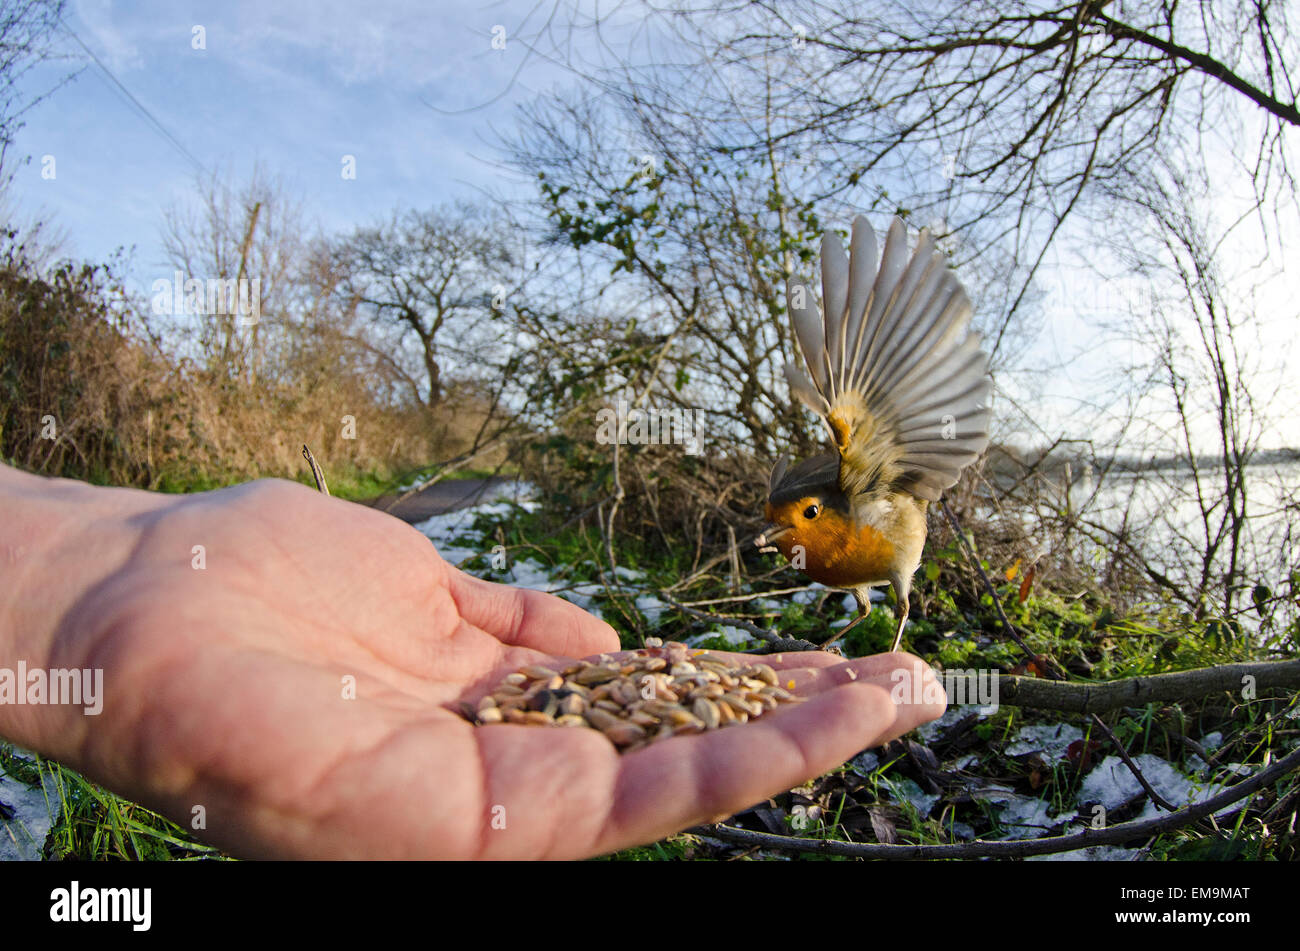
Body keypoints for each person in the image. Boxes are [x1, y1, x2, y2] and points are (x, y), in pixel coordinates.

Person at [0, 462, 945, 859]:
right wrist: (108, 562)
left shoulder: (875, 494)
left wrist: (104, 562)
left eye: (804, 523)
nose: (780, 537)